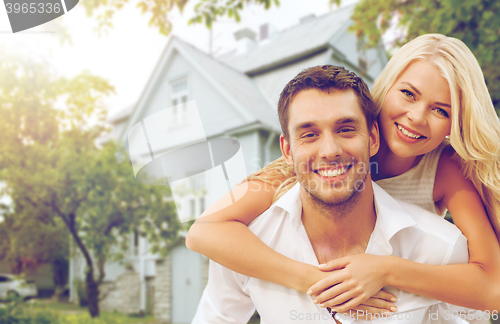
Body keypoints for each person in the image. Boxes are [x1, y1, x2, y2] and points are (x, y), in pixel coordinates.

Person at [187, 34, 500, 315]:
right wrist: (316, 280)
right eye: (408, 94)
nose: (417, 117)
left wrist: (386, 270)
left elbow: (492, 287)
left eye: (441, 110)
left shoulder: (444, 168)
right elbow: (203, 231)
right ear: (387, 87)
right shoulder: (313, 162)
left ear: (454, 124)